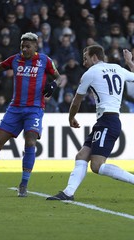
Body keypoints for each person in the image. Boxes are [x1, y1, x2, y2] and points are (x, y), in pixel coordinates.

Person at [0, 32, 61, 197]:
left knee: (30, 142)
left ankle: (23, 185)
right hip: (14, 109)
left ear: (35, 47)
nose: (24, 49)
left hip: (34, 109)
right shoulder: (15, 59)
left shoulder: (45, 60)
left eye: (27, 46)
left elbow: (59, 77)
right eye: (22, 46)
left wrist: (53, 85)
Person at [47, 45, 134, 201]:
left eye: (85, 58)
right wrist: (129, 62)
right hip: (107, 120)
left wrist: (71, 117)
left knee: (97, 166)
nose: (84, 62)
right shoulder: (118, 68)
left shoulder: (90, 73)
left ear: (94, 57)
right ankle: (68, 193)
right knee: (82, 156)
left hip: (108, 120)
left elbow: (76, 101)